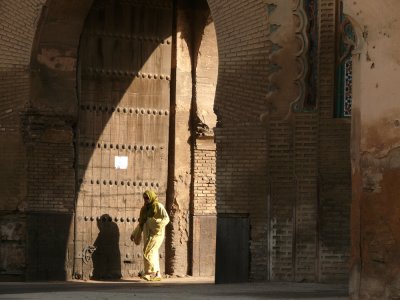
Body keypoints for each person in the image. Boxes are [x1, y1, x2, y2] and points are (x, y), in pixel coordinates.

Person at [138, 190, 170, 281]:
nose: (146, 200)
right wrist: (136, 233)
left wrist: (157, 223)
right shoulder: (144, 209)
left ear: (151, 197)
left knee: (148, 251)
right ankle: (156, 274)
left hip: (157, 233)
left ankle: (151, 272)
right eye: (144, 198)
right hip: (147, 233)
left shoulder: (158, 206)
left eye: (147, 198)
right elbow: (141, 222)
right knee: (153, 252)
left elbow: (166, 218)